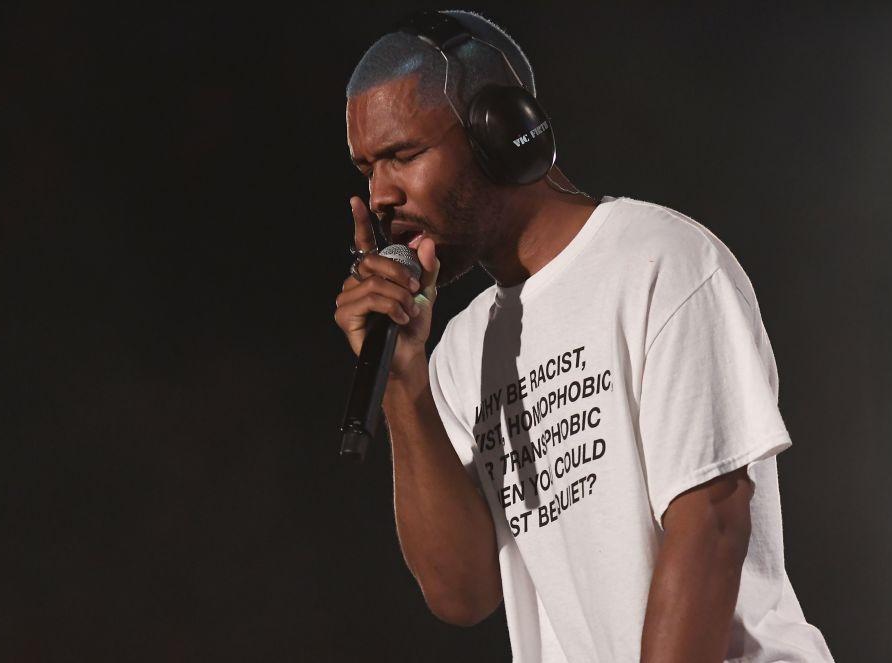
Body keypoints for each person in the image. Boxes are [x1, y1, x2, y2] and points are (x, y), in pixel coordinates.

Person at [334, 9, 834, 663]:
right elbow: (462, 593)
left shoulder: (660, 261)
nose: (380, 195)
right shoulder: (458, 352)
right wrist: (404, 377)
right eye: (367, 169)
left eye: (401, 156)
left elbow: (710, 524)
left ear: (500, 131)